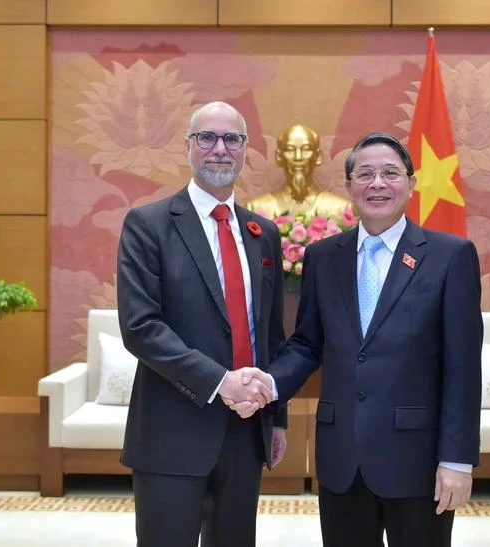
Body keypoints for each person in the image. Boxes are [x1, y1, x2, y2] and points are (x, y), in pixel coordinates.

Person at [231, 132, 483, 547]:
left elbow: (463, 366)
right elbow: (308, 344)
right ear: (348, 187)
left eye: (390, 173)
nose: (377, 183)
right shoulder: (323, 256)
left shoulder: (449, 256)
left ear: (411, 183)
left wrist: (457, 459)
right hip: (341, 459)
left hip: (417, 461)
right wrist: (269, 385)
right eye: (365, 174)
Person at [116, 101, 287, 547]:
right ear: (188, 147)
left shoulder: (263, 232)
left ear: (246, 149)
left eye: (232, 139)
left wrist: (277, 418)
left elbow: (269, 334)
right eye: (206, 138)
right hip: (171, 430)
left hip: (246, 432)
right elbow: (141, 327)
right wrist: (221, 382)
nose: (219, 149)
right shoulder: (148, 224)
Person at [246, 124, 351, 217]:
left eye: (306, 149)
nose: (298, 157)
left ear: (318, 156)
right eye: (290, 150)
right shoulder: (256, 209)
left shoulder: (341, 209)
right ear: (279, 157)